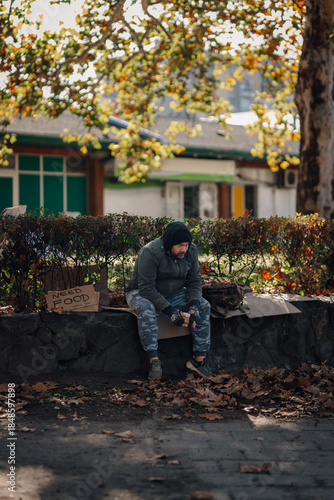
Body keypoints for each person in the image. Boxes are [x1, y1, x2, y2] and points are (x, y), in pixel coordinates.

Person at [126, 221, 211, 379]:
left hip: (174, 292)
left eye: (186, 245)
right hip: (141, 292)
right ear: (170, 243)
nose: (184, 249)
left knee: (204, 306)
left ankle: (198, 361)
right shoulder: (150, 252)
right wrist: (170, 311)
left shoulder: (190, 252)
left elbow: (194, 282)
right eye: (180, 245)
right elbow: (146, 288)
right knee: (147, 308)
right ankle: (154, 361)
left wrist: (193, 305)